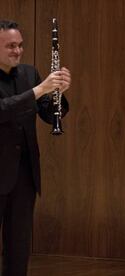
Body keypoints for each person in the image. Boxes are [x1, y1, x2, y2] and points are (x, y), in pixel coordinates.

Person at [0, 20, 70, 276]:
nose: (17, 51)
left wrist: (58, 93)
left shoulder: (29, 73)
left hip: (23, 176)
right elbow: (3, 109)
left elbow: (50, 115)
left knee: (18, 248)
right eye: (10, 46)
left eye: (19, 45)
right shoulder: (34, 83)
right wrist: (40, 90)